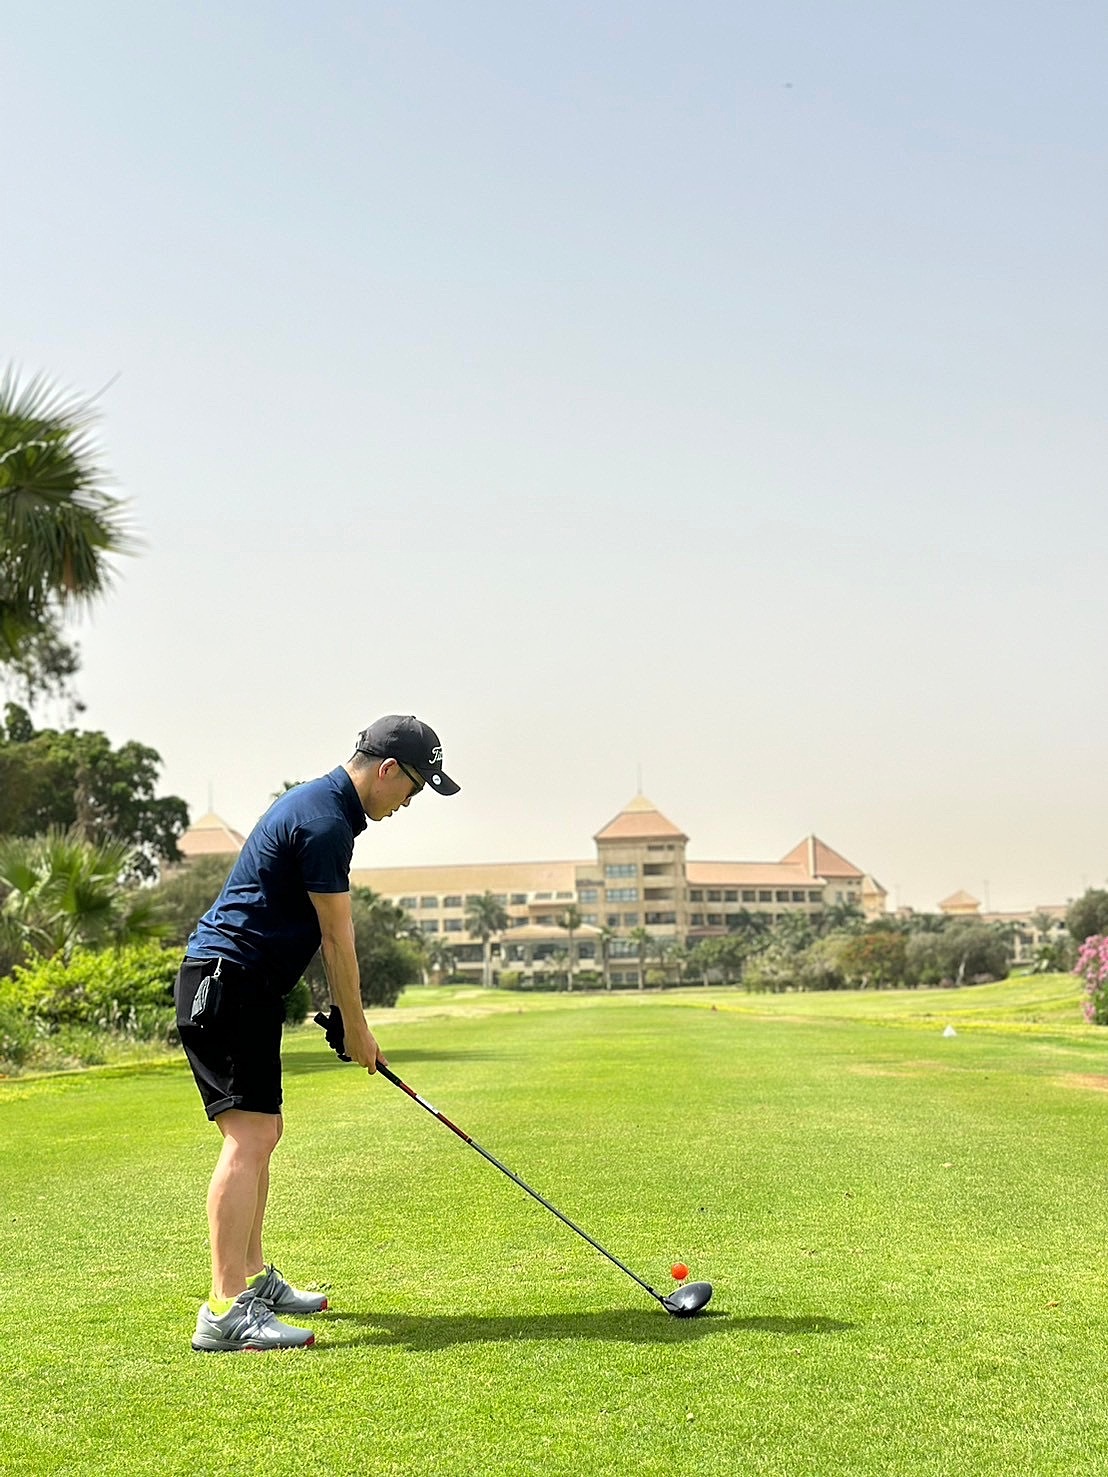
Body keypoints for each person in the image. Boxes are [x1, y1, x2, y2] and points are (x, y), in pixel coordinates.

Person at [174, 715, 460, 1353]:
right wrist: (357, 1027)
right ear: (387, 770)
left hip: (243, 984)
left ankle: (250, 1280)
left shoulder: (324, 808)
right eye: (412, 788)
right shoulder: (327, 821)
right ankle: (224, 1311)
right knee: (247, 1139)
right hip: (226, 982)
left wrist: (345, 1018)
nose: (408, 802)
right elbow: (338, 937)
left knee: (262, 1133)